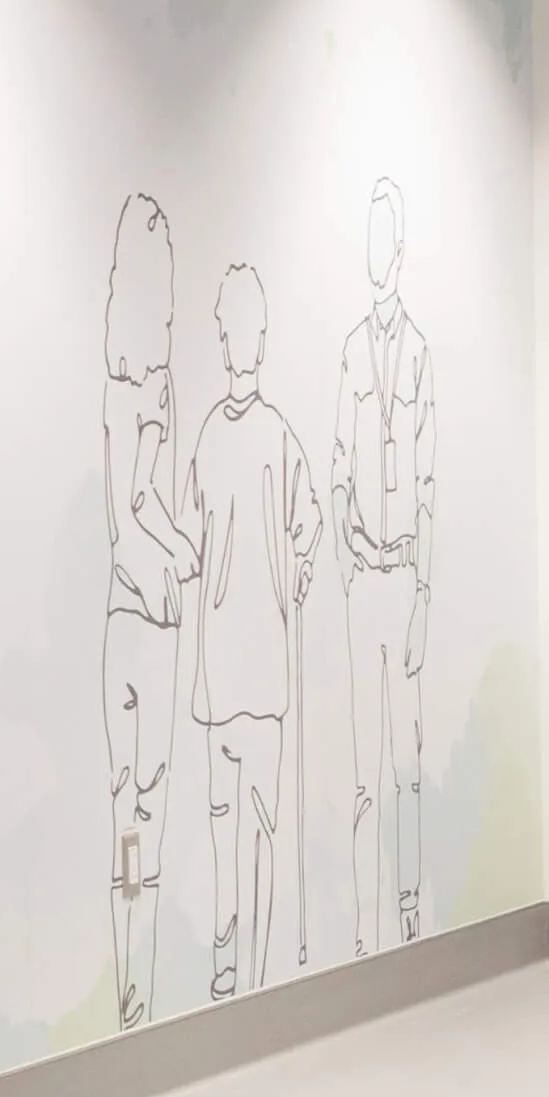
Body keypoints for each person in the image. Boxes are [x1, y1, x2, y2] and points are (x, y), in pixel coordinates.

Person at [184, 265, 322, 1001]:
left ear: (257, 340)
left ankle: (251, 970)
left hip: (258, 669)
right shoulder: (214, 437)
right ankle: (232, 957)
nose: (237, 343)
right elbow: (190, 535)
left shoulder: (272, 436)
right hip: (225, 672)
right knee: (227, 823)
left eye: (243, 330)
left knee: (252, 822)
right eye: (230, 330)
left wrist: (301, 564)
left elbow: (310, 520)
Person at [102, 196, 199, 1030]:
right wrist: (168, 557)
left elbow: (142, 504)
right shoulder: (131, 391)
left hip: (144, 623)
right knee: (135, 811)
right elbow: (126, 513)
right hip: (138, 623)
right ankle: (131, 993)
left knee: (143, 812)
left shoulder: (149, 387)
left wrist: (178, 543)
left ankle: (139, 997)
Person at [332, 180, 435, 952]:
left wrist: (424, 596)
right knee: (364, 773)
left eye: (382, 239)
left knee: (406, 765)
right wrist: (346, 559)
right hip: (363, 581)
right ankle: (365, 936)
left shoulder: (421, 354)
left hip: (402, 579)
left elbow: (427, 485)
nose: (373, 254)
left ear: (398, 250)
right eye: (365, 238)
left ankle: (408, 917)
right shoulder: (349, 352)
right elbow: (338, 466)